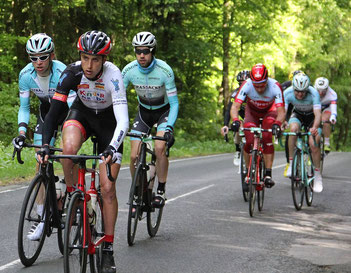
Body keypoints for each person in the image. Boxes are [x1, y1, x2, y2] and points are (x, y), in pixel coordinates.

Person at [37, 30, 129, 273]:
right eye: (85, 58)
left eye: (95, 59)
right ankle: (73, 197)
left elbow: (123, 122)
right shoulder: (72, 72)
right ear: (80, 56)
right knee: (67, 149)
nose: (89, 65)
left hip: (110, 123)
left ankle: (108, 248)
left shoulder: (114, 76)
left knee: (107, 189)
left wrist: (112, 147)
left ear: (104, 59)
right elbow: (54, 112)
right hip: (83, 113)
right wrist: (46, 144)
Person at [12, 33, 76, 241]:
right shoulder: (25, 75)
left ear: (52, 55)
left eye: (43, 57)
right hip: (45, 113)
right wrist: (22, 132)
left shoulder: (62, 72)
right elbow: (24, 107)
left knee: (67, 154)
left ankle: (66, 188)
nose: (38, 62)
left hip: (66, 112)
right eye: (33, 57)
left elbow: (74, 106)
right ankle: (41, 218)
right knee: (41, 162)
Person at [122, 31, 179, 208]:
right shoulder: (128, 70)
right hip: (144, 113)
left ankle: (161, 189)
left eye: (145, 51)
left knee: (160, 147)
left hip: (163, 112)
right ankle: (138, 189)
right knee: (133, 156)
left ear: (152, 51)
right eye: (138, 51)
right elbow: (118, 98)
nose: (141, 55)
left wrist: (169, 128)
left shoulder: (164, 71)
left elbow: (175, 103)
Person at [230, 63, 285, 189]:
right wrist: (236, 120)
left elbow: (281, 112)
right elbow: (235, 107)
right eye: (256, 86)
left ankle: (268, 174)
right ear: (251, 81)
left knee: (266, 136)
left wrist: (277, 124)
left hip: (270, 112)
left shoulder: (275, 86)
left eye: (262, 86)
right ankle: (249, 170)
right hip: (252, 113)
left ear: (267, 80)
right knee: (248, 140)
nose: (259, 89)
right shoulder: (246, 85)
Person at [284, 73, 323, 192]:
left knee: (313, 143)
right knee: (293, 130)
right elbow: (283, 112)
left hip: (312, 118)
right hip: (298, 115)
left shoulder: (314, 93)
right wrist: (282, 122)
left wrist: (314, 127)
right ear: (293, 88)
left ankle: (317, 176)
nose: (300, 94)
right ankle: (291, 163)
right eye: (297, 91)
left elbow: (317, 114)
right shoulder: (287, 93)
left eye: (303, 92)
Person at [221, 70, 249, 166]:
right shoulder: (236, 93)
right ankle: (237, 150)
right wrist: (225, 124)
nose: (243, 85)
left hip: (252, 115)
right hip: (241, 115)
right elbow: (229, 109)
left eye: (245, 83)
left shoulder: (254, 91)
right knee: (238, 126)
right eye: (241, 83)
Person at [281, 70, 304, 177]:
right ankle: (288, 162)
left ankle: (307, 152)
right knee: (291, 133)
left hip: (303, 108)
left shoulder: (308, 88)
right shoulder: (285, 87)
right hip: (289, 107)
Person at [314, 77, 337, 153]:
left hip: (327, 108)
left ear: (327, 88)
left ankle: (326, 143)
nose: (320, 93)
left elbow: (333, 107)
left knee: (324, 120)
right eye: (319, 90)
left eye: (323, 91)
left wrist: (333, 116)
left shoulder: (332, 94)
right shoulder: (312, 91)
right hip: (316, 107)